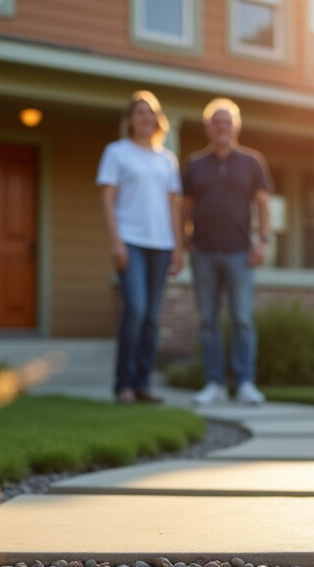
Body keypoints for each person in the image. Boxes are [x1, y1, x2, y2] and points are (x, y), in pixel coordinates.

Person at [181, 98, 271, 406]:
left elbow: (262, 203)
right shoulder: (195, 164)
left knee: (242, 319)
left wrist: (263, 240)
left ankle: (245, 383)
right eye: (216, 122)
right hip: (203, 252)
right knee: (208, 320)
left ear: (236, 127)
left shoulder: (252, 162)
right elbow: (186, 207)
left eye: (227, 122)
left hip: (239, 254)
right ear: (208, 128)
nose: (222, 127)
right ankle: (214, 384)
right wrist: (184, 238)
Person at [96, 90, 184, 404]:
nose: (146, 118)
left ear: (158, 120)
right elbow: (107, 199)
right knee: (135, 309)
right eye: (140, 113)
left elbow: (173, 207)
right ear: (130, 120)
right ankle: (124, 385)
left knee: (152, 318)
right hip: (130, 242)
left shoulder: (167, 159)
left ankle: (143, 383)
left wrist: (178, 247)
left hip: (161, 245)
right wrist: (116, 242)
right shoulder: (117, 152)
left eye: (151, 113)